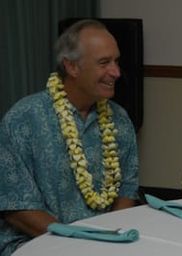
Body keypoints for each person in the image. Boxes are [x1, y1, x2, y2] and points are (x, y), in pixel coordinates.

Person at [0, 19, 139, 255]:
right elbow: (18, 209)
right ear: (72, 67)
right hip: (37, 244)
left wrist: (111, 241)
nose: (116, 72)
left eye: (116, 61)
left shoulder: (120, 119)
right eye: (104, 63)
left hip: (105, 244)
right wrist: (76, 244)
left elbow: (127, 192)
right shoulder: (23, 119)